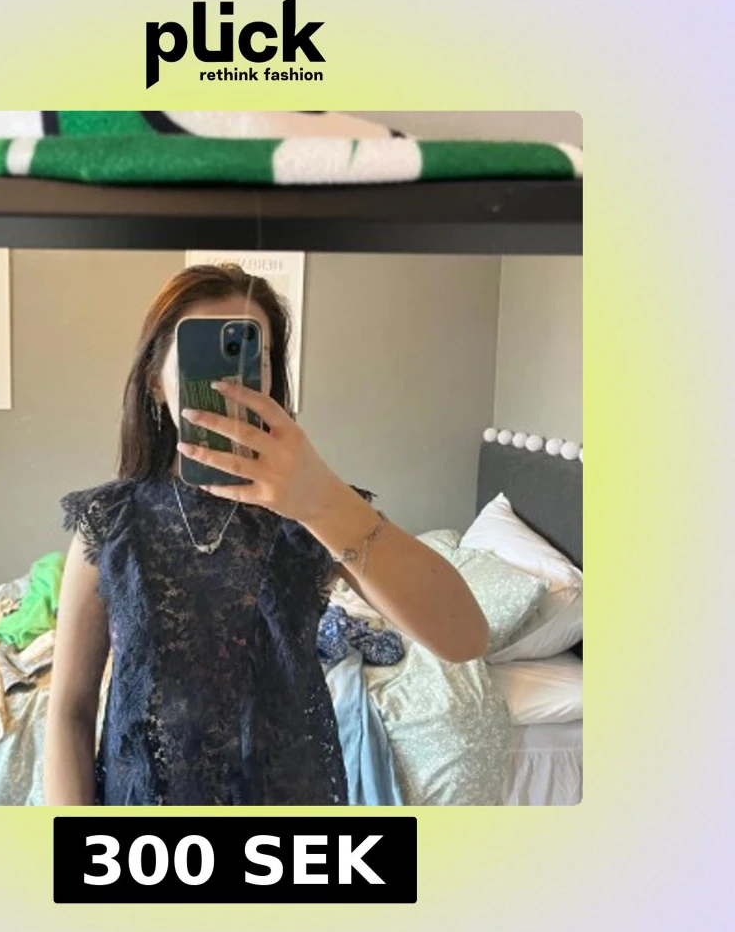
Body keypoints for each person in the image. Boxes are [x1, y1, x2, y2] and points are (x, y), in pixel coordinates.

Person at [43, 264, 488, 806]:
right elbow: (69, 710)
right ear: (155, 381)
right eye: (204, 361)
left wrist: (321, 500)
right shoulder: (111, 522)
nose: (229, 386)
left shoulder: (315, 513)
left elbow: (466, 637)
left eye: (251, 360)